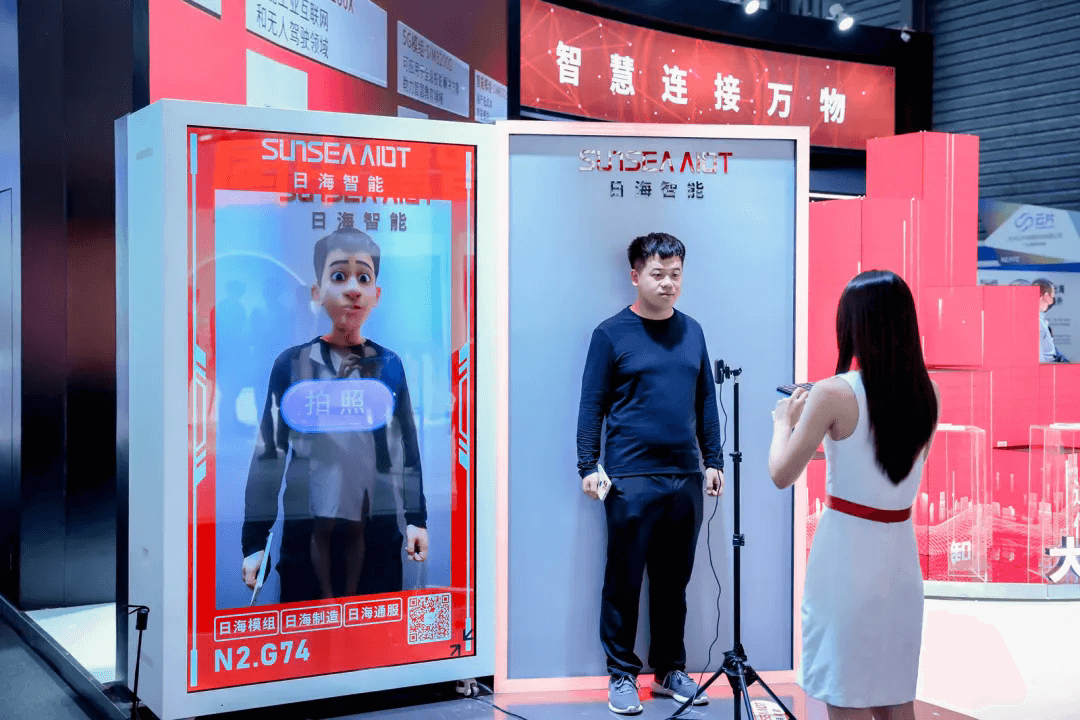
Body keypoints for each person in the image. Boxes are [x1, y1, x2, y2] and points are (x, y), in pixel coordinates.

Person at [767, 270, 940, 720]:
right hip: (901, 562)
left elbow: (781, 474)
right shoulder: (929, 393)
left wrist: (783, 423)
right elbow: (882, 462)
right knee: (895, 698)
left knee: (844, 694)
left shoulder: (831, 393)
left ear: (853, 325)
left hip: (845, 560)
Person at [576, 232, 725, 716]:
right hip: (628, 477)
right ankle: (621, 674)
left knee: (673, 582)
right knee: (624, 579)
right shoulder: (610, 334)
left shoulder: (694, 332)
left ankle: (668, 671)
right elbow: (592, 405)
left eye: (675, 274)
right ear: (635, 275)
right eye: (658, 274)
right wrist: (587, 465)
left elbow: (706, 401)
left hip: (685, 476)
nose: (668, 284)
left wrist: (714, 459)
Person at [241, 226, 429, 602]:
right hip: (306, 535)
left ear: (376, 294)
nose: (353, 289)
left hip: (377, 537)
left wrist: (416, 519)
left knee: (374, 628)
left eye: (364, 278)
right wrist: (255, 541)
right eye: (339, 276)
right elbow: (269, 455)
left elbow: (406, 449)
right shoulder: (292, 365)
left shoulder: (389, 365)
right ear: (317, 291)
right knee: (308, 629)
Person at [1034, 279, 1067, 363]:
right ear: (1046, 296)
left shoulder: (1040, 319)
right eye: (1052, 297)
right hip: (1047, 368)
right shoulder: (1036, 321)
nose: (1052, 301)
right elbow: (1040, 360)